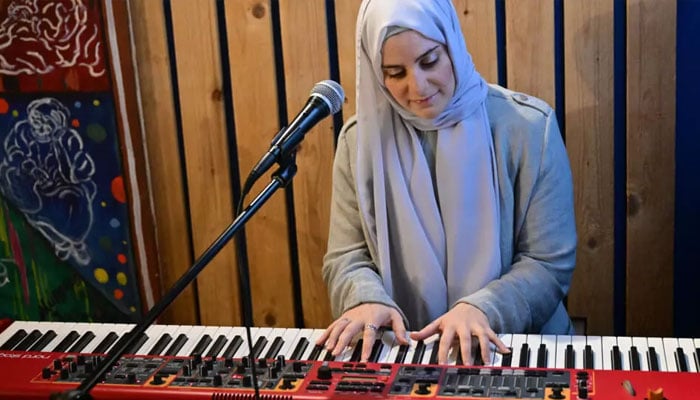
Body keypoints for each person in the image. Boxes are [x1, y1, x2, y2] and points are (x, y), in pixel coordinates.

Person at [317, 0, 577, 366]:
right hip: (409, 351)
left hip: (519, 347)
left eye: (429, 61)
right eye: (395, 73)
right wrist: (364, 297)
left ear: (451, 44)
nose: (417, 86)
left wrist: (482, 308)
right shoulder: (359, 141)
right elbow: (347, 255)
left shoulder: (530, 127)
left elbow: (548, 263)